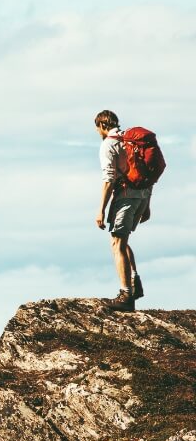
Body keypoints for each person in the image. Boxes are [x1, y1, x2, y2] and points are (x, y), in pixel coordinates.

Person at [94, 109, 151, 312]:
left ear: (101, 126)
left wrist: (100, 210)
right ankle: (134, 281)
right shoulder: (131, 141)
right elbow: (146, 172)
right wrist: (148, 203)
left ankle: (126, 295)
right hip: (142, 195)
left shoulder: (109, 144)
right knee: (122, 239)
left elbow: (109, 179)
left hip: (125, 196)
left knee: (117, 242)